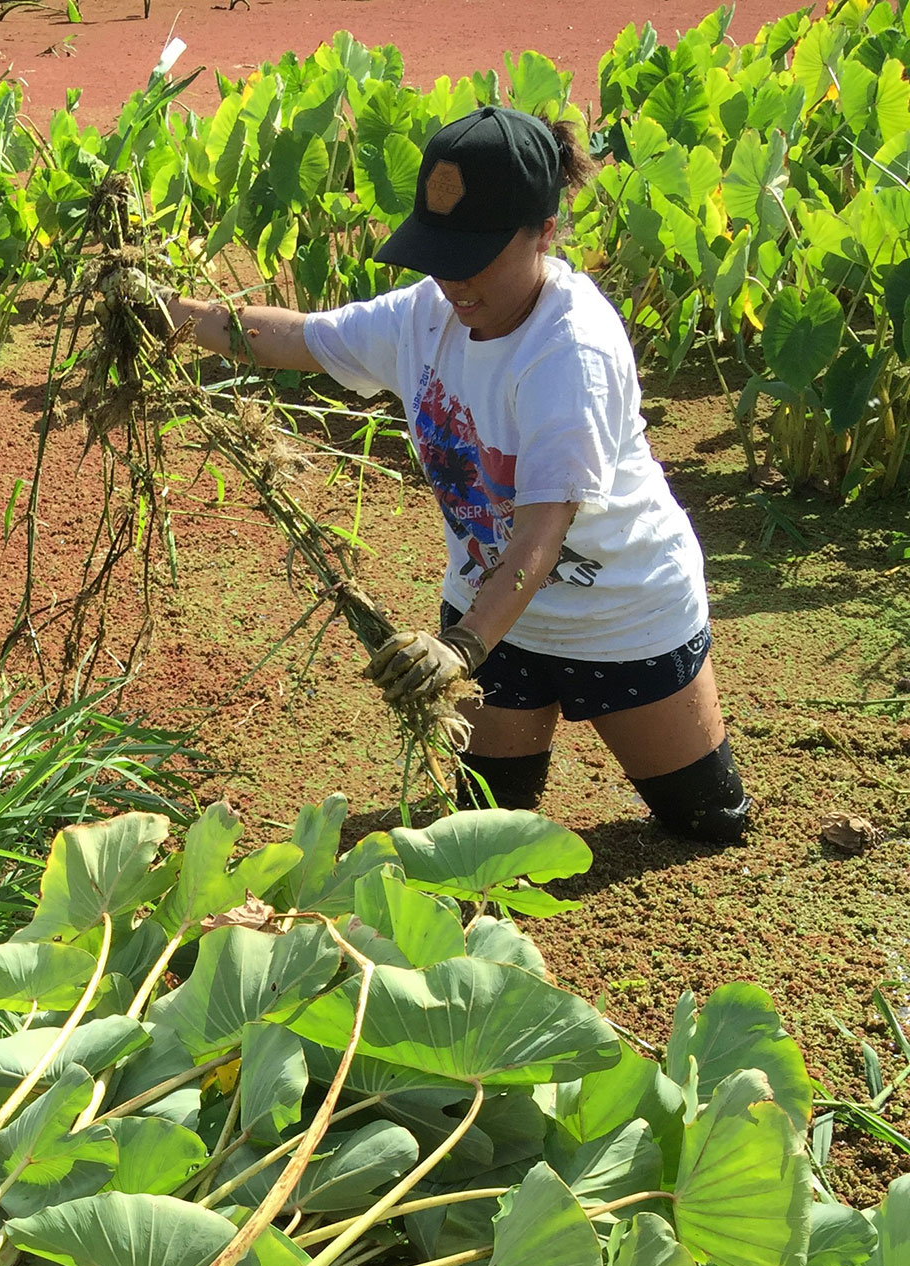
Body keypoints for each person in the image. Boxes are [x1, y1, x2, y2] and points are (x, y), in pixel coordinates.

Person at [162, 105, 751, 844]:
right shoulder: (424, 316)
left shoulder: (572, 349)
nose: (453, 281)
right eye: (441, 255)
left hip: (622, 615)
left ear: (542, 231)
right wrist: (166, 314)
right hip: (494, 616)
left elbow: (542, 529)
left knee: (706, 824)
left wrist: (462, 647)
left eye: (475, 257)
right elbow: (297, 339)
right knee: (479, 833)